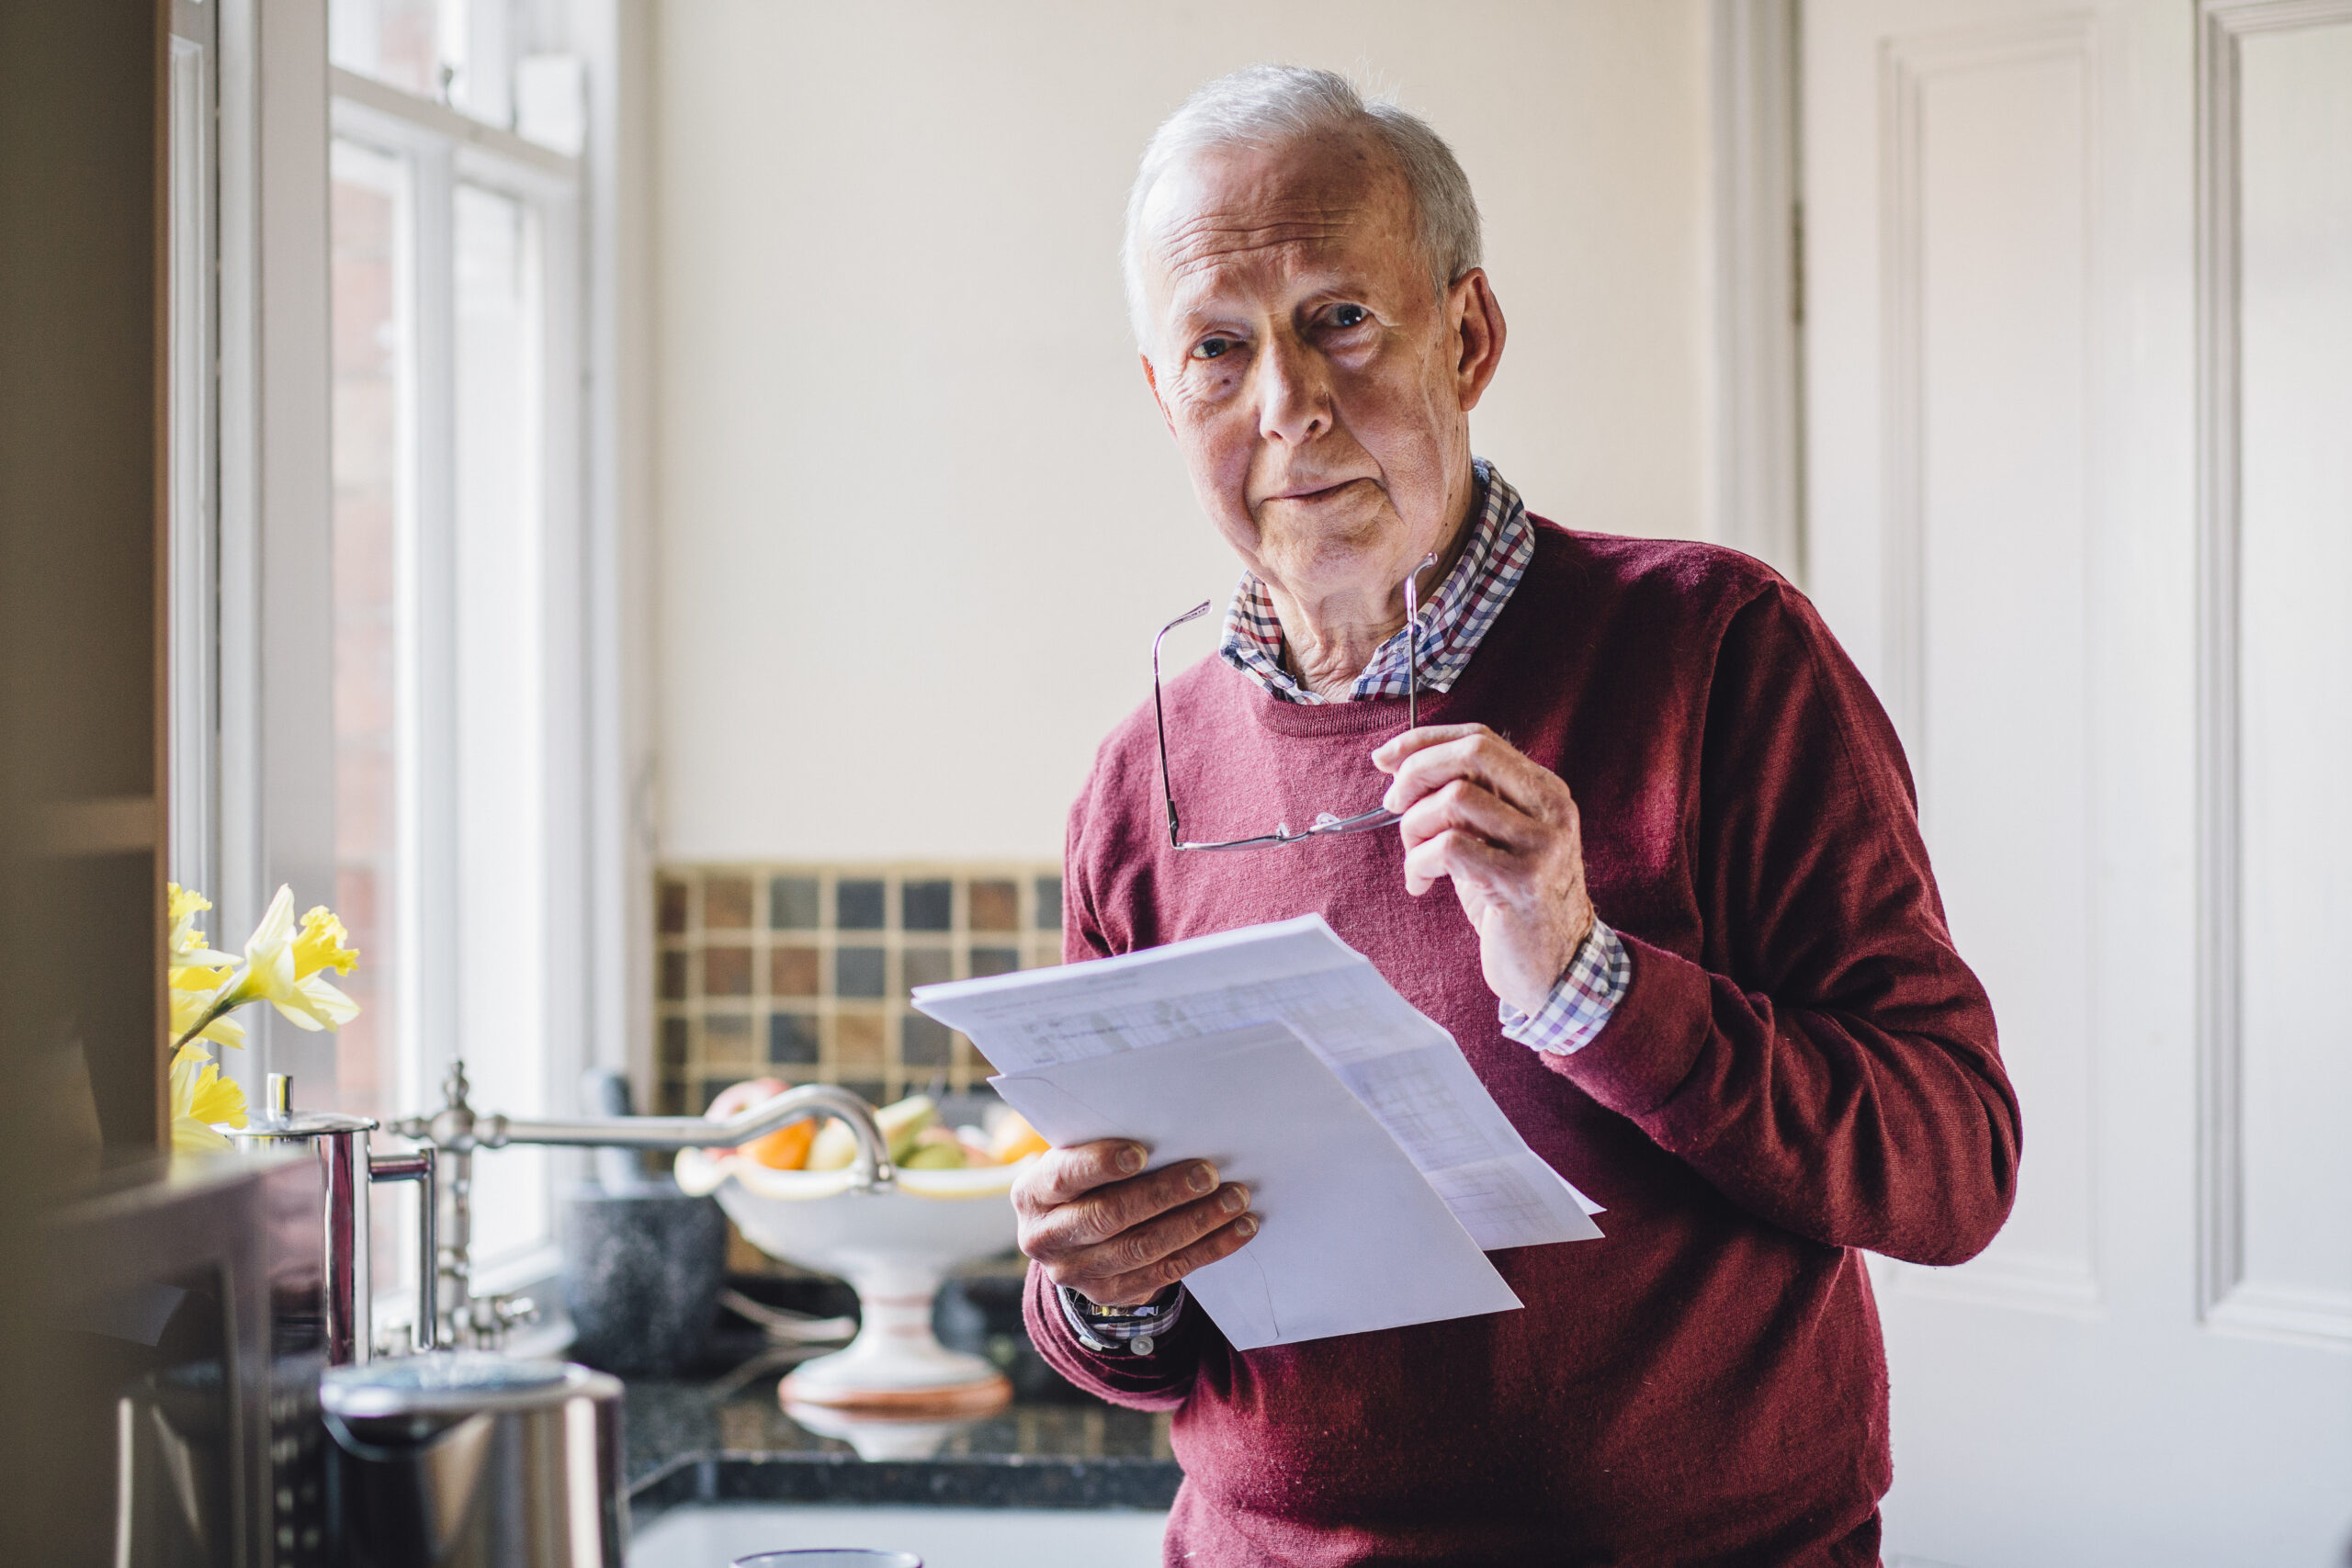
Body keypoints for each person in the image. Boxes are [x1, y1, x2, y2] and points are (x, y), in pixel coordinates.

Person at [1011, 64, 2020, 1566]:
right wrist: (1100, 1286)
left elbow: (1954, 1169)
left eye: (1340, 319)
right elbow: (1137, 1347)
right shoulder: (1136, 777)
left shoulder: (1720, 652)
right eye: (1219, 350)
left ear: (1467, 335)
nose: (1288, 405)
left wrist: (1584, 978)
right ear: (1170, 399)